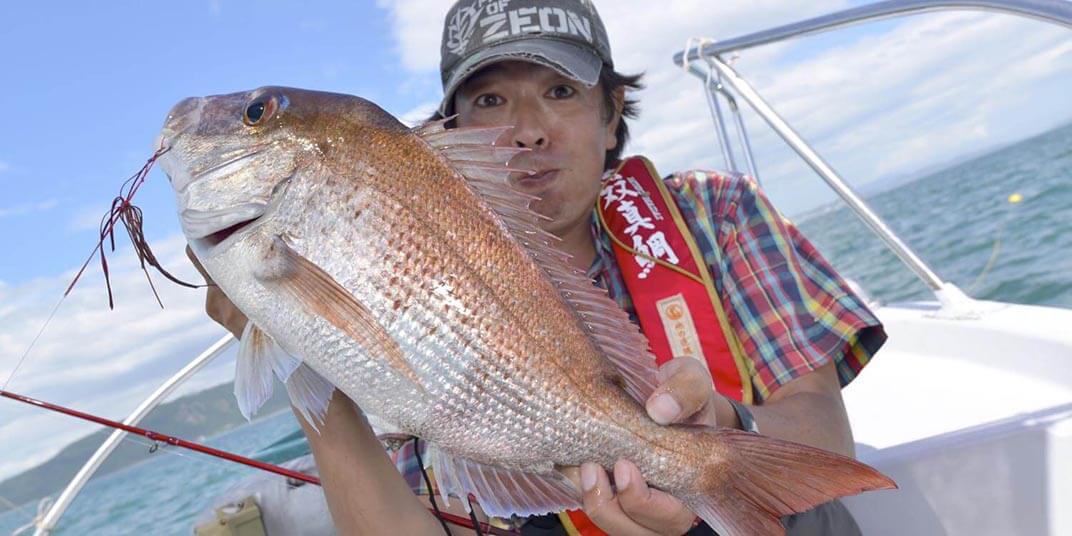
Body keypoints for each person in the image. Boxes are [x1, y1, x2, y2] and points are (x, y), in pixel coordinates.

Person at [189, 1, 887, 534]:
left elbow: (818, 420)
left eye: (560, 90)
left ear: (613, 114)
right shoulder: (387, 274)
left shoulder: (716, 214)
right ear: (451, 134)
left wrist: (726, 433)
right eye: (490, 100)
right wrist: (302, 350)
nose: (528, 128)